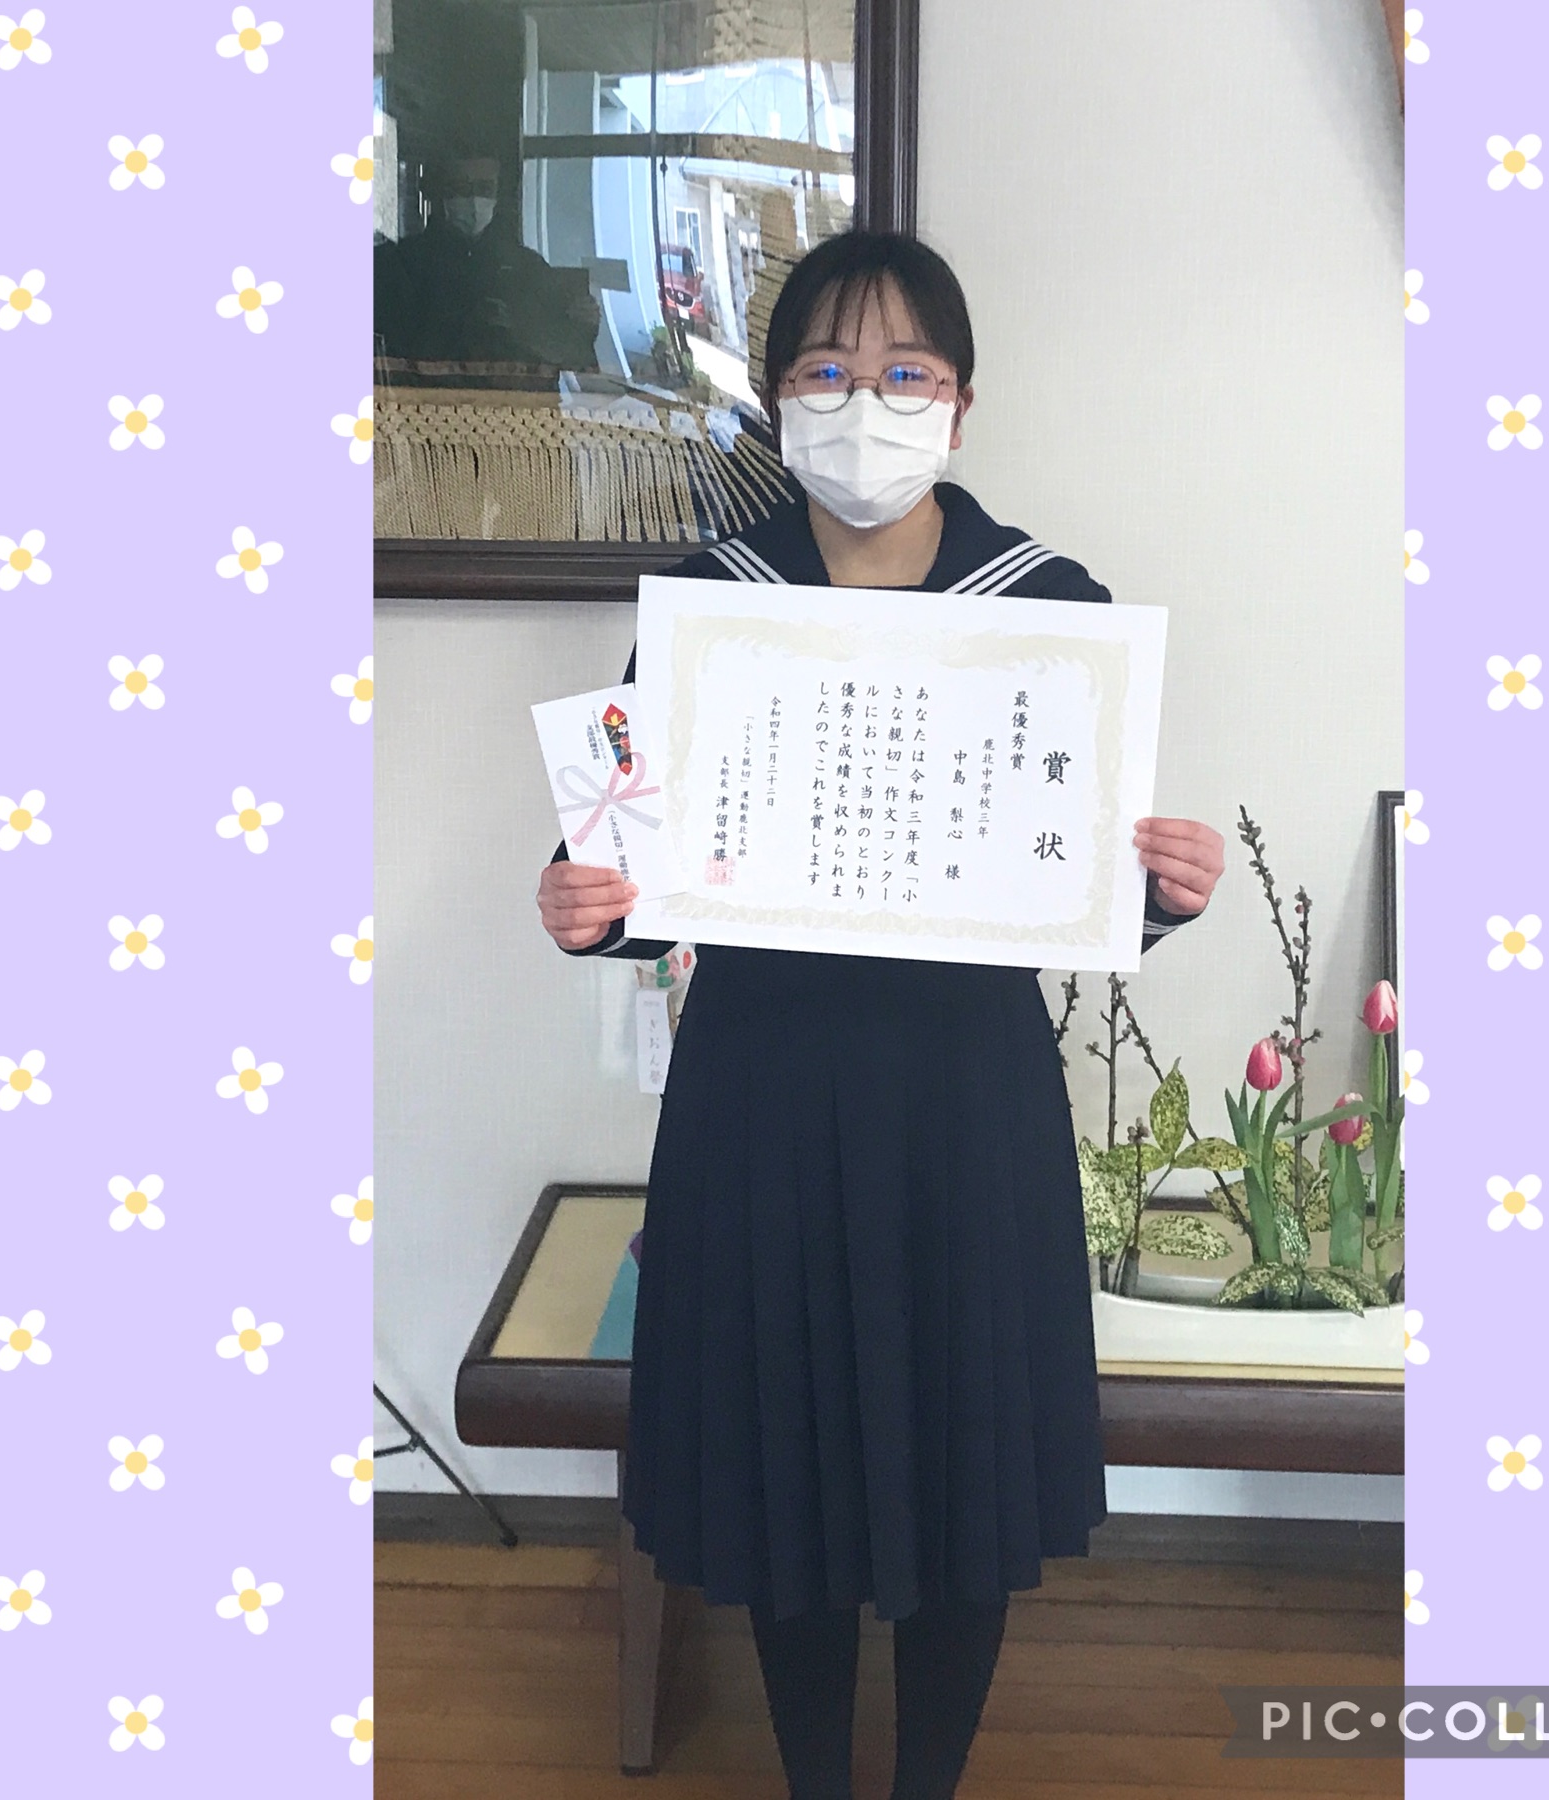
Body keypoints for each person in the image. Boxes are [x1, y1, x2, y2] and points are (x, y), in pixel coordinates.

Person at [535, 231, 1227, 1800]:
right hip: (760, 1090)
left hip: (963, 1102)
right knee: (786, 1461)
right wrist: (584, 905)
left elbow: (1078, 880)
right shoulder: (703, 605)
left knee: (959, 1454)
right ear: (779, 400)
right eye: (826, 371)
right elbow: (631, 868)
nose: (867, 403)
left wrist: (1161, 892)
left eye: (904, 372)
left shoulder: (1050, 606)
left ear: (961, 403)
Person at [373, 153, 600, 367]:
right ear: (438, 193)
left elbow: (567, 355)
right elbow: (389, 351)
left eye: (484, 188)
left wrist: (582, 321)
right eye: (461, 188)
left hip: (515, 394)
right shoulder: (401, 264)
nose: (474, 199)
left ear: (498, 194)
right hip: (420, 393)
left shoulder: (528, 267)